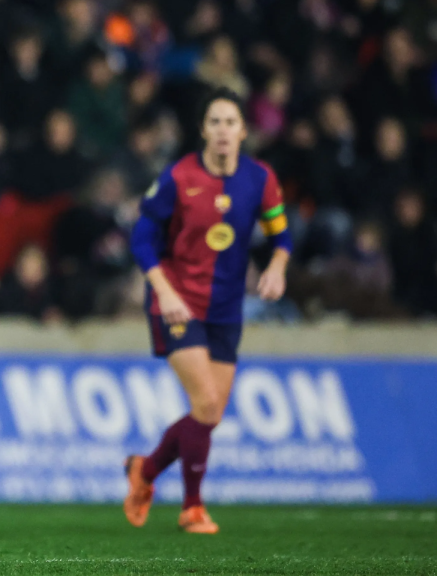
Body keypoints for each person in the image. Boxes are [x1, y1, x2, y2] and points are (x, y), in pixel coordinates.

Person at [124, 87, 292, 534]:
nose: (222, 131)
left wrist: (277, 265)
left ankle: (145, 470)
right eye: (214, 122)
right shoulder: (179, 177)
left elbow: (282, 235)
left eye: (230, 122)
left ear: (243, 131)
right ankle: (192, 508)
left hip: (226, 307)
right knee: (206, 402)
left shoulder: (260, 179)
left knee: (211, 412)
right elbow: (141, 240)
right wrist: (166, 292)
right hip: (175, 302)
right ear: (202, 129)